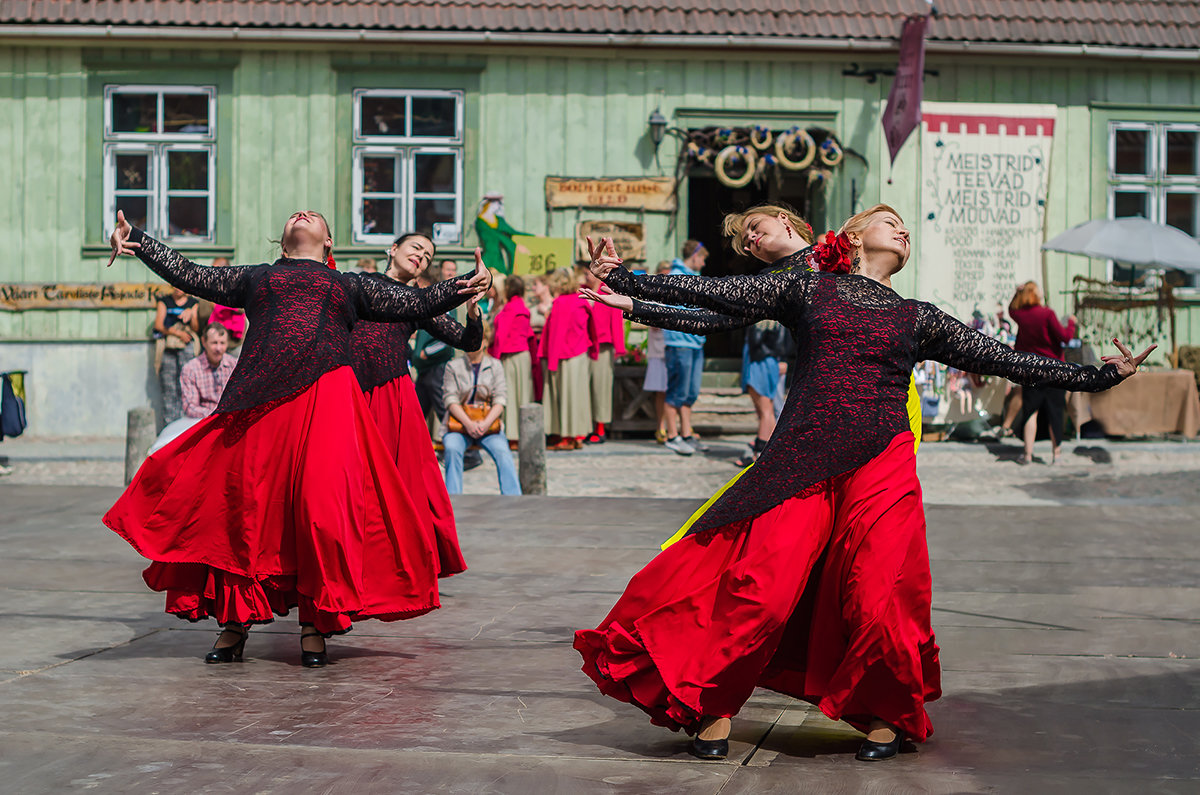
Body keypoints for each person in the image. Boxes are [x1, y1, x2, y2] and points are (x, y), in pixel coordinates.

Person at [574, 205, 1152, 763]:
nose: (901, 229)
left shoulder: (917, 316)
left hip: (882, 457)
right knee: (761, 588)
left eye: (905, 226)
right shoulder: (805, 288)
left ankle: (885, 712)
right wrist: (628, 282)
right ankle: (711, 702)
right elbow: (718, 296)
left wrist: (1098, 376)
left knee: (878, 593)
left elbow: (1005, 358)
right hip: (803, 454)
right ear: (852, 235)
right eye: (888, 221)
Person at [103, 209, 488, 668]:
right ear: (284, 242)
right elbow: (192, 274)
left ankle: (315, 621)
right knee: (247, 511)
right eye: (294, 215)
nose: (303, 215)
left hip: (326, 401)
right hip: (260, 403)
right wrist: (139, 241)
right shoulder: (259, 277)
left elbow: (414, 304)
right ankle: (235, 623)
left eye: (315, 217)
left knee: (321, 511)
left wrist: (470, 280)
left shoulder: (346, 283)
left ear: (329, 245)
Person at [350, 232, 484, 581]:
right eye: (416, 248)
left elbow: (468, 341)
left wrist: (473, 314)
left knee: (406, 480)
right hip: (349, 392)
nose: (421, 256)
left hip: (391, 394)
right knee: (352, 480)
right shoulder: (358, 285)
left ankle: (400, 560)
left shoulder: (420, 300)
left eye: (427, 256)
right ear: (393, 249)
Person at [442, 321, 522, 495]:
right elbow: (450, 399)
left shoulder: (495, 366)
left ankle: (514, 497)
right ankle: (453, 498)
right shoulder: (453, 366)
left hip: (488, 425)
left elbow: (500, 399)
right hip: (460, 425)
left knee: (502, 451)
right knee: (452, 447)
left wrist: (485, 424)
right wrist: (468, 424)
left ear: (484, 342)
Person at [1008, 281, 1077, 464]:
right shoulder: (1047, 313)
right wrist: (1071, 323)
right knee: (1055, 411)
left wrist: (1017, 293)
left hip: (1030, 369)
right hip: (1054, 368)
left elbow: (1011, 309)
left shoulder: (1021, 315)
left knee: (1031, 411)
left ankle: (1028, 454)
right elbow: (1065, 337)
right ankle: (1057, 454)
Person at [149, 322, 237, 453]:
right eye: (214, 343)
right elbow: (190, 406)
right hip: (202, 422)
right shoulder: (191, 369)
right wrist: (215, 415)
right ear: (204, 342)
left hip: (230, 421)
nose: (218, 348)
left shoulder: (234, 365)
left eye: (222, 343)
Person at [538, 268, 595, 450]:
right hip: (579, 354)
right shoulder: (582, 300)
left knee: (565, 397)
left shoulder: (560, 303)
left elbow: (556, 334)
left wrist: (551, 360)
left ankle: (566, 437)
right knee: (578, 397)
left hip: (563, 355)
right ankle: (577, 435)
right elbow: (591, 327)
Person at [662, 240, 709, 456]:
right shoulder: (675, 278)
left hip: (695, 342)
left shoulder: (697, 278)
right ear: (695, 257)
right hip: (679, 342)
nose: (704, 263)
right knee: (676, 392)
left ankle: (686, 433)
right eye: (703, 259)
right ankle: (671, 435)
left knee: (690, 393)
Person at [737, 319, 791, 467]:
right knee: (767, 410)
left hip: (759, 363)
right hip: (768, 363)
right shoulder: (776, 323)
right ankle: (771, 450)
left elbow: (755, 342)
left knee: (765, 411)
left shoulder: (760, 324)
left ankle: (760, 453)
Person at [489, 274, 535, 445]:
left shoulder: (510, 308)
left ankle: (513, 435)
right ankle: (523, 433)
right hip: (522, 355)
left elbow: (501, 335)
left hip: (511, 356)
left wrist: (494, 359)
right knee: (522, 395)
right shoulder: (522, 306)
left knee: (510, 395)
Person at [583, 270, 627, 444]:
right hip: (586, 348)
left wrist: (619, 348)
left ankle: (600, 428)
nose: (586, 276)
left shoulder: (607, 292)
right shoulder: (583, 293)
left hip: (603, 346)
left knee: (601, 389)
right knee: (586, 389)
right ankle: (587, 427)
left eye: (589, 273)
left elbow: (616, 321)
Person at [154, 285, 199, 425]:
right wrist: (178, 333)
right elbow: (158, 325)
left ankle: (184, 424)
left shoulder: (192, 303)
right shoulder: (164, 301)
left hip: (186, 348)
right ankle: (169, 425)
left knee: (185, 385)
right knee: (169, 387)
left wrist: (191, 314)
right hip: (169, 347)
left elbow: (196, 328)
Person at [643, 261, 673, 443]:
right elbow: (651, 321)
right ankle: (660, 426)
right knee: (661, 390)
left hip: (674, 346)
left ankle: (675, 426)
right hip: (659, 349)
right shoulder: (653, 295)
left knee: (677, 389)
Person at [207, 257, 248, 349]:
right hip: (211, 343)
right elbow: (202, 314)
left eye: (217, 270)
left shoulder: (237, 288)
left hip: (234, 344)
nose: (213, 273)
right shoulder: (208, 289)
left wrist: (219, 305)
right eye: (212, 269)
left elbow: (243, 307)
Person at [529, 274, 554, 402]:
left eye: (536, 285)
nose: (533, 288)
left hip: (549, 349)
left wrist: (546, 313)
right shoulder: (532, 309)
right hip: (535, 350)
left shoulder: (554, 304)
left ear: (546, 286)